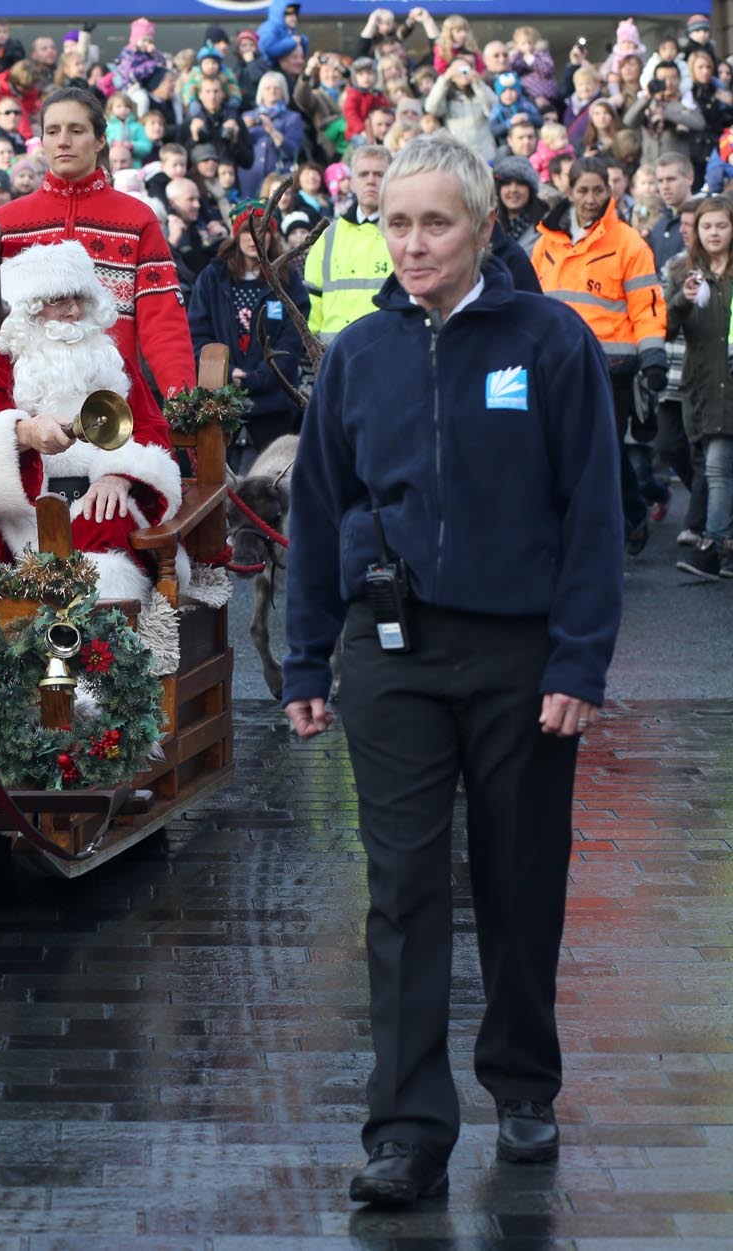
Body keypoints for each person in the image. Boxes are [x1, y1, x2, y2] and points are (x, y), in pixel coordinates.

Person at [283, 136, 623, 1208]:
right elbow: (319, 508)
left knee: (520, 878)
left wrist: (578, 658)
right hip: (394, 657)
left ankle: (524, 1084)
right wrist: (305, 654)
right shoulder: (356, 354)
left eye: (437, 222)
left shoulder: (552, 339)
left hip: (524, 660)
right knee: (404, 889)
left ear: (484, 225)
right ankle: (408, 1130)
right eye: (397, 222)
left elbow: (595, 518)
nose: (415, 242)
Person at [0, 87, 193, 555]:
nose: (64, 141)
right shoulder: (7, 223)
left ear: (100, 140)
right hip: (19, 419)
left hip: (112, 409)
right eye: (53, 131)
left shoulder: (137, 219)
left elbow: (163, 322)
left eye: (76, 130)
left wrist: (185, 410)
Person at [0, 239, 184, 597]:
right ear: (26, 311)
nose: (73, 312)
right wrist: (20, 434)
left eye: (80, 299)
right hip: (9, 518)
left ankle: (100, 642)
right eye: (58, 300)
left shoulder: (112, 363)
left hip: (89, 509)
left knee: (109, 516)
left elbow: (152, 434)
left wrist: (119, 477)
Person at [530, 156, 667, 545]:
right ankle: (621, 515)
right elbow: (532, 301)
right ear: (569, 192)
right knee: (569, 447)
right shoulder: (546, 244)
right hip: (557, 366)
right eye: (583, 190)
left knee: (601, 448)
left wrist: (652, 353)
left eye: (598, 189)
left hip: (613, 367)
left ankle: (612, 525)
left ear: (610, 190)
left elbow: (647, 303)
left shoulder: (627, 242)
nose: (591, 198)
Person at [187, 203, 309, 469]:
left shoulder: (289, 282)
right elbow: (198, 334)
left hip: (273, 406)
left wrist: (258, 378)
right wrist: (225, 371)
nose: (254, 237)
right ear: (236, 234)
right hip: (220, 404)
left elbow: (292, 340)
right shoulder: (212, 278)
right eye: (247, 230)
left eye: (263, 230)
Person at [670, 195, 733, 577]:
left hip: (730, 383)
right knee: (716, 466)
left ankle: (712, 543)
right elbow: (665, 326)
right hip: (703, 385)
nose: (713, 233)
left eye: (721, 225)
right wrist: (681, 300)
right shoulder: (685, 272)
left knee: (717, 467)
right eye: (707, 226)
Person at [304, 142, 392, 344]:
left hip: (386, 351)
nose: (371, 181)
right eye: (363, 174)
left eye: (379, 175)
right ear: (352, 182)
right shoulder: (329, 236)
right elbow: (312, 300)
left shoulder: (404, 234)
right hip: (334, 355)